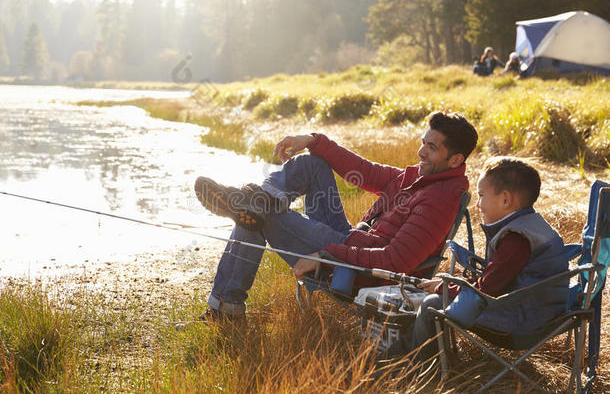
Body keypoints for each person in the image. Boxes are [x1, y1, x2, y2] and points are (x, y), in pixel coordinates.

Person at [193, 111, 478, 321]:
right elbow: (364, 170)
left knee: (258, 215)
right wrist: (312, 140)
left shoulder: (439, 200)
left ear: (455, 160)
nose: (421, 152)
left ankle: (225, 307)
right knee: (311, 164)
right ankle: (261, 199)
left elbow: (396, 262)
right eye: (423, 142)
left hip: (357, 270)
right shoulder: (417, 177)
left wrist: (327, 254)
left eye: (432, 147)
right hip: (354, 239)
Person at [406, 157, 567, 361]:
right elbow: (497, 281)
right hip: (542, 313)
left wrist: (445, 287)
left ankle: (417, 366)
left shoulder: (515, 239)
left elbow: (487, 290)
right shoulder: (532, 225)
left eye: (482, 196)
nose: (479, 205)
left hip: (522, 325)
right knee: (441, 293)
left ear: (506, 200)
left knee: (431, 304)